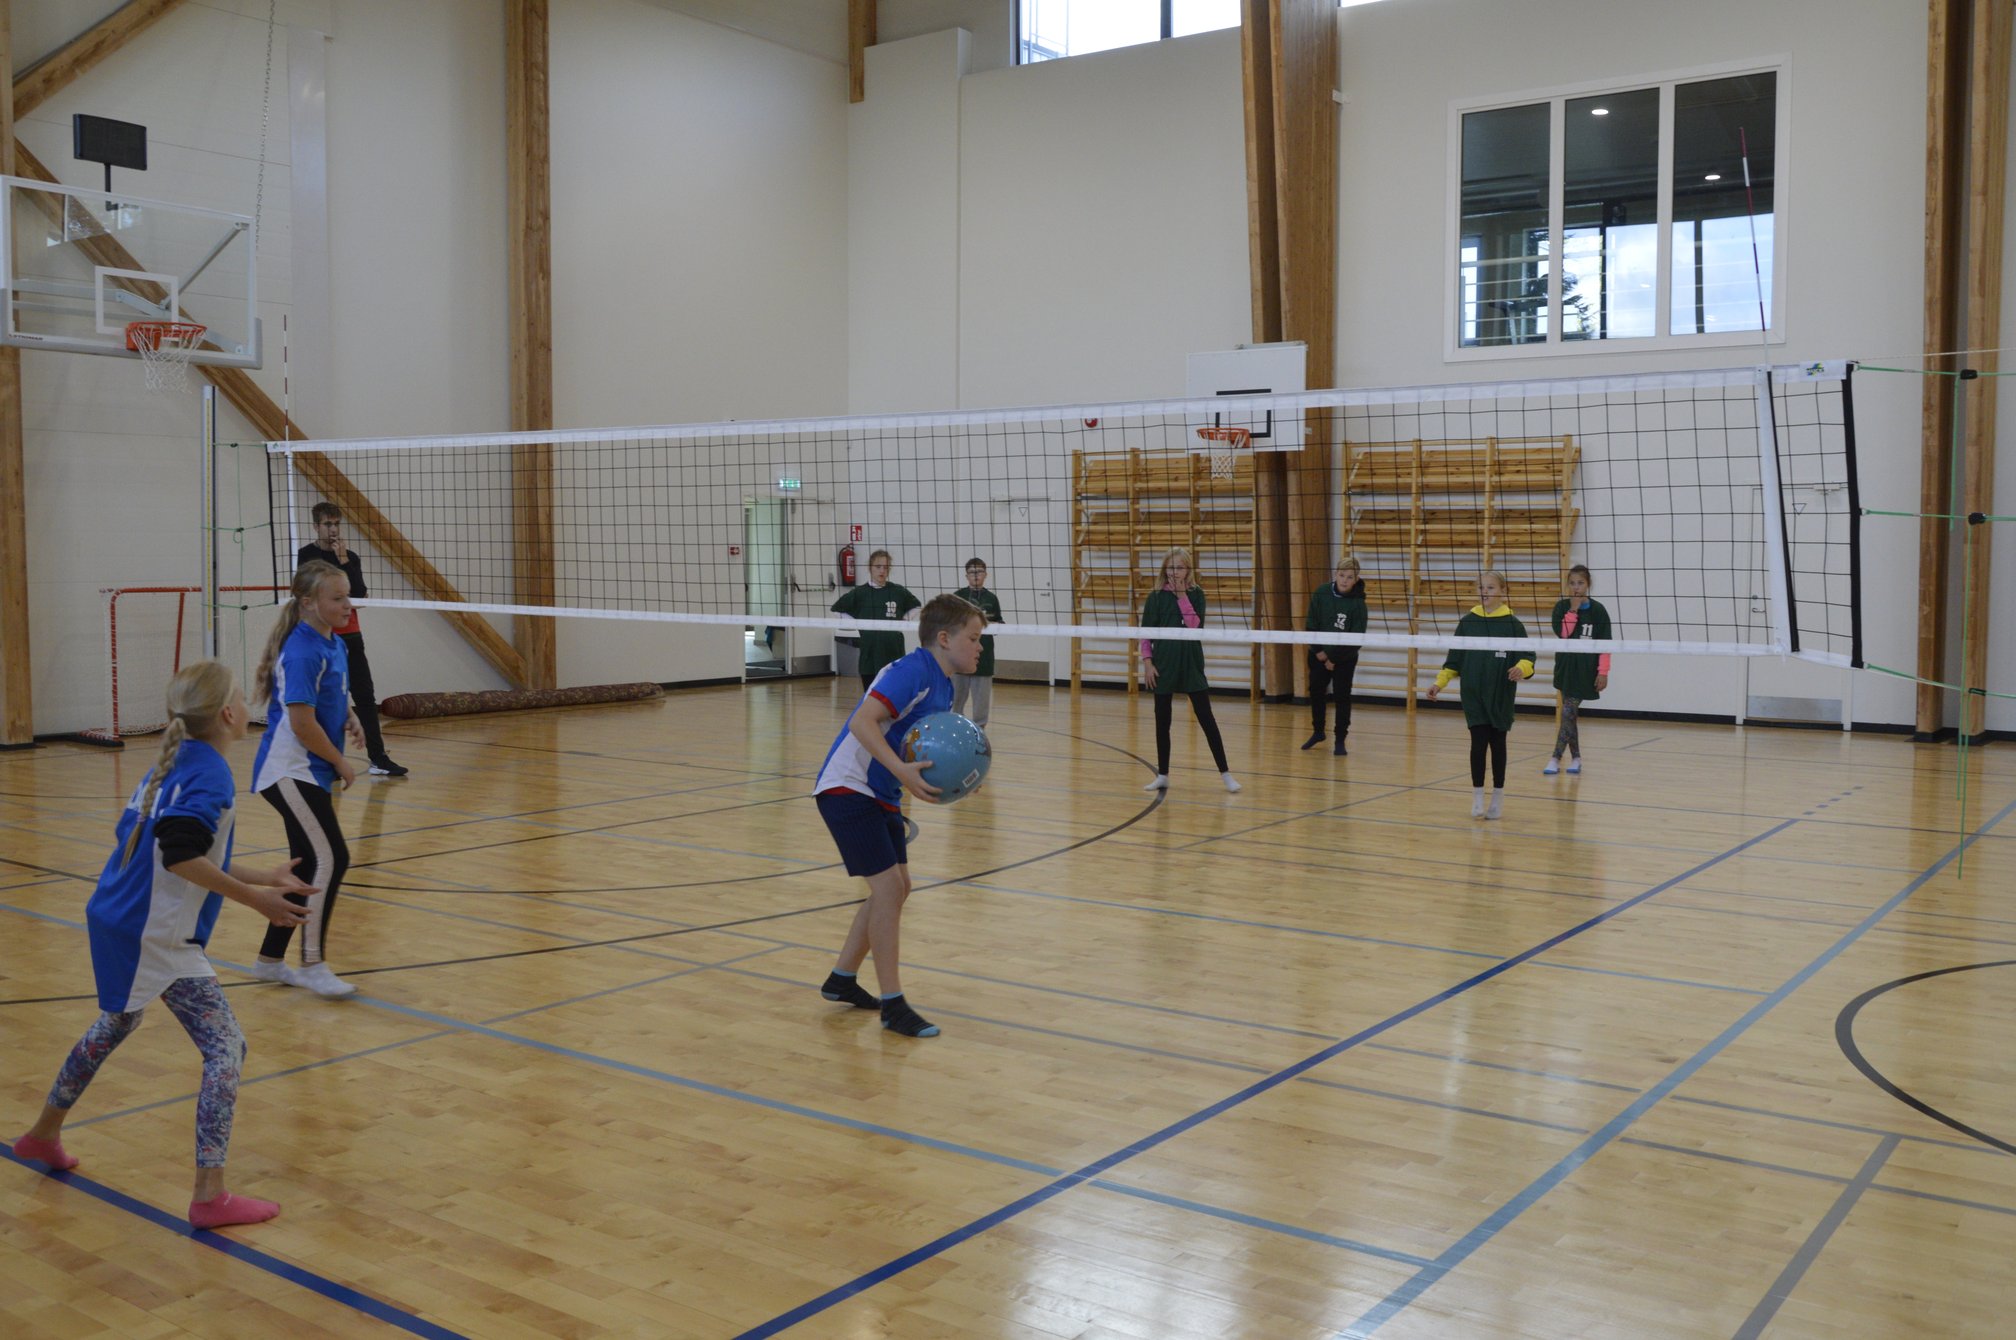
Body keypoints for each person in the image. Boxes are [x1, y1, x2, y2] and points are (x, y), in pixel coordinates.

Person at [11, 661, 314, 1228]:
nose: (248, 704)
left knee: (117, 1023)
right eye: (241, 696)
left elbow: (174, 849)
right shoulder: (210, 774)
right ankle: (209, 1195)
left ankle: (42, 1134)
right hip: (155, 932)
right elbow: (179, 856)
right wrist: (259, 902)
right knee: (226, 1050)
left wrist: (264, 876)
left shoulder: (172, 762)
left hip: (115, 916)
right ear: (227, 713)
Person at [812, 594, 985, 1039]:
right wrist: (903, 772)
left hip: (882, 791)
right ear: (944, 638)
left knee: (899, 887)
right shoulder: (913, 671)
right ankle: (894, 1005)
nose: (979, 647)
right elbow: (862, 722)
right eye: (973, 638)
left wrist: (959, 778)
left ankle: (842, 979)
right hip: (848, 787)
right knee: (888, 888)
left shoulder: (944, 685)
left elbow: (927, 747)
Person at [246, 560, 367, 997]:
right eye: (338, 598)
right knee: (332, 857)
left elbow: (328, 694)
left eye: (347, 595)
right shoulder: (302, 651)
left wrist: (350, 715)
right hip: (289, 770)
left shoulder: (332, 641)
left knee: (306, 864)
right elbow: (301, 723)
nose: (347, 604)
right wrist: (341, 761)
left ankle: (269, 961)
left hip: (307, 771)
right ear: (309, 603)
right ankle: (312, 964)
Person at [297, 502, 407, 777]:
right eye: (327, 524)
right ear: (316, 526)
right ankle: (326, 760)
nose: (333, 529)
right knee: (325, 701)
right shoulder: (305, 556)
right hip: (321, 639)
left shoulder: (350, 557)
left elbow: (358, 594)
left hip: (351, 637)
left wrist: (343, 558)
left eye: (336, 524)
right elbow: (309, 594)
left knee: (365, 698)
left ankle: (378, 758)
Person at [1426, 570, 1533, 820]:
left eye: (1490, 587)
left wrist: (1522, 668)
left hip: (1500, 695)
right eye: (1481, 587)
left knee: (1498, 745)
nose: (1485, 592)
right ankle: (1477, 797)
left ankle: (1498, 796)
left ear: (1503, 591)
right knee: (1477, 744)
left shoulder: (1513, 624)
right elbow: (1454, 660)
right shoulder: (1468, 622)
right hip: (1473, 694)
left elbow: (1528, 657)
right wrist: (1439, 684)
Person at [1139, 546, 1240, 794]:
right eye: (1171, 567)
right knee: (1162, 722)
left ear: (1188, 570)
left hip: (1191, 663)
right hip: (1163, 664)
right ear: (1165, 569)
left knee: (1207, 719)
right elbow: (1145, 633)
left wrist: (1181, 595)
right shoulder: (1155, 597)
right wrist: (1148, 663)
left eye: (1180, 567)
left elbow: (1195, 626)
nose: (1174, 572)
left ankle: (1226, 774)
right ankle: (1163, 775)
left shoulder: (1196, 594)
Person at [1546, 564, 1613, 776]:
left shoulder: (1598, 611)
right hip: (1565, 669)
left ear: (1588, 584)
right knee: (1570, 715)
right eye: (1572, 583)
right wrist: (1573, 610)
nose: (1576, 587)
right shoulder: (1561, 608)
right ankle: (1576, 758)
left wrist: (1603, 672)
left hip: (1586, 672)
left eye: (1580, 583)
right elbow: (1564, 633)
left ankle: (1555, 757)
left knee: (1568, 711)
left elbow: (1605, 644)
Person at [1301, 556, 1368, 756]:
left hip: (1344, 658)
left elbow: (1356, 639)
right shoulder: (1321, 593)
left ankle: (1340, 739)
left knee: (1342, 696)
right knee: (1316, 692)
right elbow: (1310, 624)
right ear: (1336, 574)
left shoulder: (1358, 603)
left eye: (1350, 577)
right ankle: (1318, 732)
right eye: (1341, 575)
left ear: (1356, 579)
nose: (1344, 580)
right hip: (1318, 654)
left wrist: (1334, 659)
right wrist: (1320, 652)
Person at [830, 549, 921, 693]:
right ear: (870, 568)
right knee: (871, 694)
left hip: (893, 651)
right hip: (870, 653)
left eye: (886, 567)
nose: (882, 571)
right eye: (878, 566)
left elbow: (916, 606)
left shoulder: (897, 591)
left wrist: (904, 619)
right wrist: (856, 623)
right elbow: (836, 610)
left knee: (894, 694)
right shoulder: (860, 593)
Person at [948, 557, 1002, 730]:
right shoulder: (958, 597)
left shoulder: (992, 598)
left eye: (979, 572)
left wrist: (993, 625)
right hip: (960, 656)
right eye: (972, 572)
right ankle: (955, 729)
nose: (976, 575)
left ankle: (979, 732)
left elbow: (999, 625)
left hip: (983, 658)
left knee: (981, 703)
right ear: (966, 576)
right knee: (955, 700)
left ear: (986, 574)